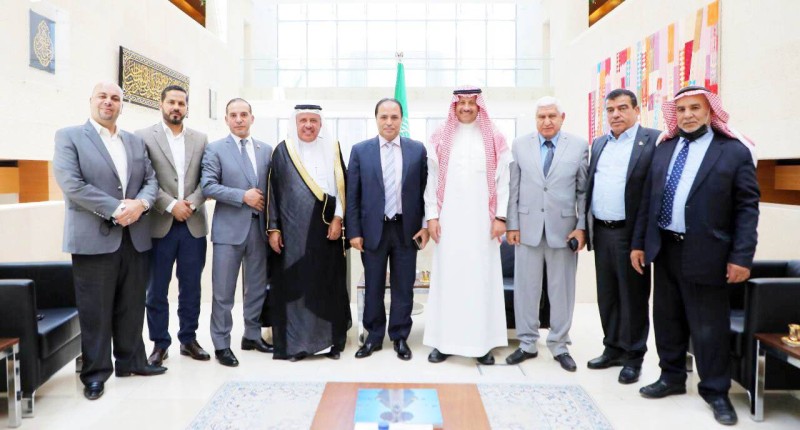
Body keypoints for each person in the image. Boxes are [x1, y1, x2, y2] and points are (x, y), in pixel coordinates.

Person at [631, 86, 759, 426]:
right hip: (665, 249)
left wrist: (742, 257)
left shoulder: (733, 151)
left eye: (695, 108)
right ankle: (671, 376)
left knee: (708, 326)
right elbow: (648, 201)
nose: (687, 115)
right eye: (682, 109)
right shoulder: (664, 148)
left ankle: (716, 390)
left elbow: (747, 208)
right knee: (667, 318)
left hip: (708, 252)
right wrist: (639, 243)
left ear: (710, 111)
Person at [53, 81, 164, 401]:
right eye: (102, 96)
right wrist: (117, 209)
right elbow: (71, 184)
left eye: (115, 98)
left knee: (132, 305)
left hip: (135, 236)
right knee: (96, 310)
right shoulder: (69, 137)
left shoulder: (134, 141)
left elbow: (151, 181)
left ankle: (132, 362)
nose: (109, 102)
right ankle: (95, 374)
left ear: (121, 105)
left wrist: (141, 204)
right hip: (93, 238)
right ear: (91, 101)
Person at [423, 87, 510, 365]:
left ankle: (482, 345)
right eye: (461, 103)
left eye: (472, 102)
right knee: (448, 279)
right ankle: (443, 343)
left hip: (483, 224)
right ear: (454, 105)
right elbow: (430, 180)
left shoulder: (494, 136)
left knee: (481, 281)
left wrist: (501, 217)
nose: (466, 107)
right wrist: (432, 216)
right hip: (448, 223)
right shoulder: (440, 136)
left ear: (479, 105)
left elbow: (504, 181)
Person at [505, 96, 589, 372]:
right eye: (541, 117)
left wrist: (581, 227)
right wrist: (512, 224)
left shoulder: (578, 146)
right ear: (536, 119)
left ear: (562, 118)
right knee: (526, 289)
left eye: (552, 116)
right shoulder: (520, 145)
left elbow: (583, 191)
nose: (547, 121)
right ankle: (527, 343)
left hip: (563, 231)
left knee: (561, 290)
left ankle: (559, 344)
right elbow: (514, 189)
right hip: (526, 229)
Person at [584, 88, 658, 384]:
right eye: (611, 109)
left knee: (633, 297)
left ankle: (633, 356)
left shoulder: (653, 141)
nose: (616, 114)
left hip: (632, 235)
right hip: (602, 231)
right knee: (608, 295)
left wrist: (642, 241)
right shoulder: (600, 143)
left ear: (636, 110)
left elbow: (652, 194)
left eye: (623, 108)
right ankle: (612, 348)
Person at [346, 98, 429, 361]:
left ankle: (400, 336)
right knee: (373, 286)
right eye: (384, 117)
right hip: (373, 230)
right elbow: (352, 195)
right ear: (376, 119)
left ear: (401, 119)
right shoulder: (360, 151)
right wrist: (354, 231)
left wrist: (425, 225)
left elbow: (425, 192)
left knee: (404, 286)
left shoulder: (417, 150)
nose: (389, 122)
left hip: (407, 230)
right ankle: (373, 336)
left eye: (394, 117)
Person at [267, 104, 351, 361]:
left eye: (313, 120)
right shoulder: (283, 151)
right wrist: (274, 228)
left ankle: (330, 343)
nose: (308, 125)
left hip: (327, 230)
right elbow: (273, 192)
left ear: (321, 123)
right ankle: (297, 345)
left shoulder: (333, 148)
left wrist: (338, 219)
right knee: (296, 286)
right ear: (295, 122)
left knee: (328, 284)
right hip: (293, 231)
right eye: (303, 120)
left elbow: (343, 189)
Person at [136, 85, 210, 366]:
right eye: (171, 102)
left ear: (187, 107)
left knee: (191, 287)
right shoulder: (143, 137)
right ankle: (159, 343)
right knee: (156, 289)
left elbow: (207, 178)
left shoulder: (200, 139)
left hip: (193, 223)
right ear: (161, 104)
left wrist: (190, 204)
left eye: (181, 103)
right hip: (159, 224)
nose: (176, 107)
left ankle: (188, 339)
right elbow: (143, 178)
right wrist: (170, 205)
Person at [201, 98, 273, 367]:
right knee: (223, 292)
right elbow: (208, 186)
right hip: (228, 231)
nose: (239, 119)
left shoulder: (266, 150)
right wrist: (243, 196)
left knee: (256, 288)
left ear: (252, 118)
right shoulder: (215, 149)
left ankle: (252, 335)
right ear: (226, 119)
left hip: (259, 230)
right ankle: (222, 344)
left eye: (244, 114)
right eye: (234, 115)